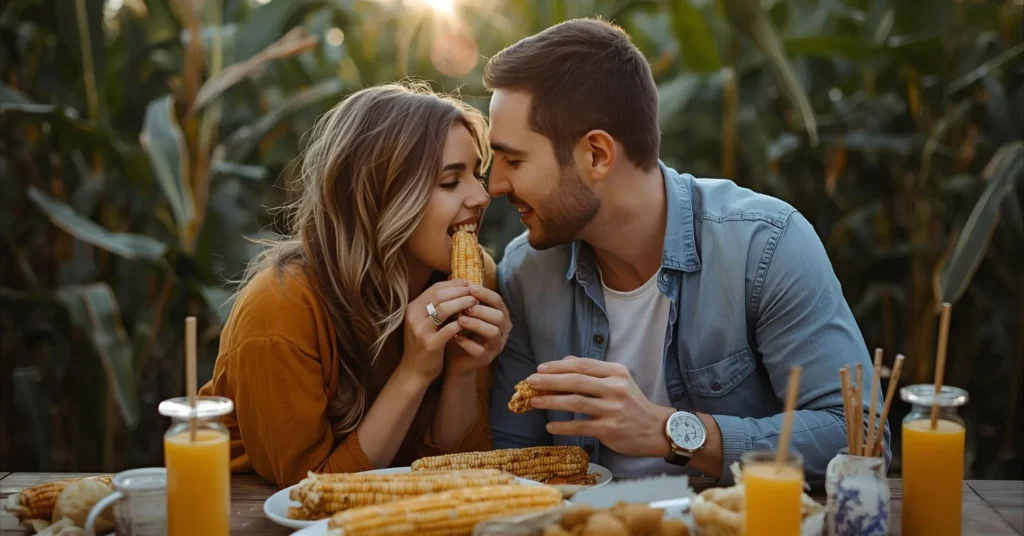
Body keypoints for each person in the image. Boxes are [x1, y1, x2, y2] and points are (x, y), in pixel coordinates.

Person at [483, 18, 887, 486]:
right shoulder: (525, 272)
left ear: (596, 155)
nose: (495, 185)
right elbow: (510, 466)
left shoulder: (765, 246)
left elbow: (860, 434)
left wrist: (670, 432)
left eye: (514, 160)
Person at [198, 82, 512, 488]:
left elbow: (455, 475)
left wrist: (461, 372)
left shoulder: (470, 279)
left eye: (476, 174)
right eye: (450, 182)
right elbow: (309, 493)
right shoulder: (280, 310)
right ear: (379, 197)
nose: (481, 196)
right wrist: (413, 373)